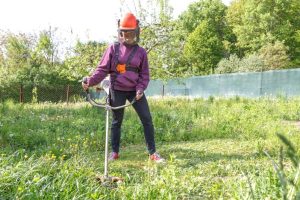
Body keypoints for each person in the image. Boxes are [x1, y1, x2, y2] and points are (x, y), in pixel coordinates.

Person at [82, 12, 164, 163]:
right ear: (120, 32)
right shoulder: (113, 48)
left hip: (135, 91)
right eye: (124, 33)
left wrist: (140, 89)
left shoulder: (141, 52)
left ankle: (152, 152)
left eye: (130, 33)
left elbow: (144, 75)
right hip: (117, 89)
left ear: (136, 32)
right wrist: (91, 81)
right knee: (116, 122)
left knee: (147, 119)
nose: (126, 36)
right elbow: (102, 69)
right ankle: (114, 152)